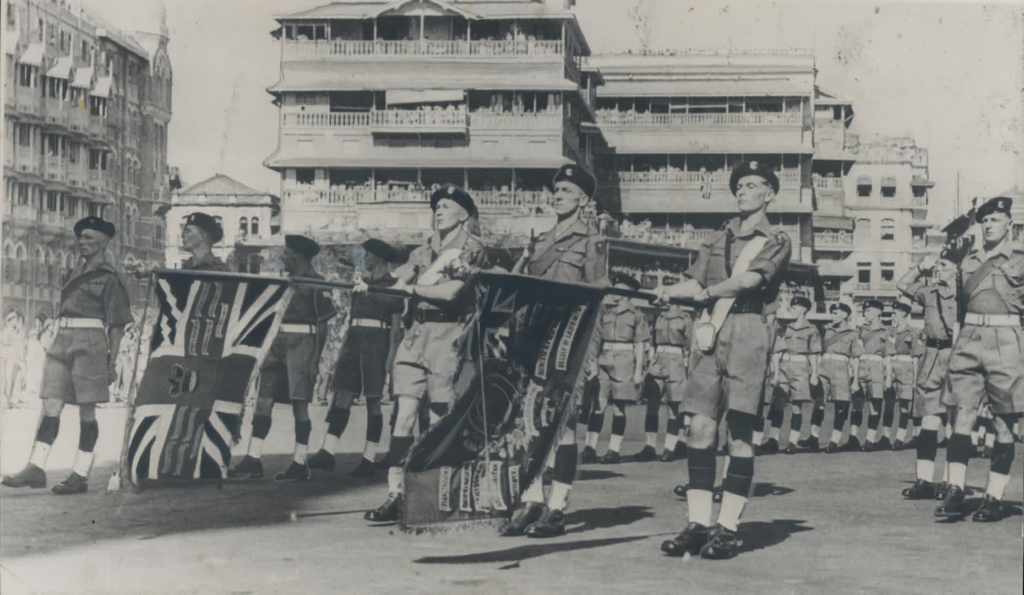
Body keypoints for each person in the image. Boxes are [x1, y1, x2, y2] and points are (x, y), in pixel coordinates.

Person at [657, 161, 791, 560]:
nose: (743, 191)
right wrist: (668, 291)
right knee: (698, 428)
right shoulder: (719, 237)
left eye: (753, 185)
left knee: (739, 433)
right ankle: (698, 524)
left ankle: (728, 528)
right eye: (739, 185)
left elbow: (751, 281)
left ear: (769, 194)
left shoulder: (777, 239)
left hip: (749, 333)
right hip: (710, 338)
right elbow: (696, 283)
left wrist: (707, 291)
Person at [364, 184, 485, 523]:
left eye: (447, 206)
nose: (439, 210)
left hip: (449, 334)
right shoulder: (422, 251)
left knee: (438, 419)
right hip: (416, 334)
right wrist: (371, 284)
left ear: (464, 214)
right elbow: (395, 279)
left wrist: (411, 288)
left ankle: (434, 493)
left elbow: (451, 292)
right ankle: (396, 494)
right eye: (437, 206)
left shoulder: (471, 250)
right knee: (403, 415)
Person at [501, 162, 608, 538]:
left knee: (562, 426)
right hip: (534, 339)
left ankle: (558, 507)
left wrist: (592, 353)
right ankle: (532, 500)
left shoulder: (591, 242)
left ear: (583, 199)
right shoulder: (540, 240)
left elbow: (597, 298)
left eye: (566, 191)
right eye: (556, 190)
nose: (558, 196)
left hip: (568, 342)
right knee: (528, 423)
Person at [2, 217, 132, 494]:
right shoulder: (77, 272)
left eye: (88, 238)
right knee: (50, 402)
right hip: (62, 340)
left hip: (91, 343)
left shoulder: (109, 278)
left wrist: (110, 362)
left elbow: (117, 325)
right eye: (81, 238)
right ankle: (35, 467)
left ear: (104, 241)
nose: (82, 243)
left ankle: (80, 473)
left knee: (87, 410)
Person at [936, 196, 1023, 522]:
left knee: (1004, 423)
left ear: (1009, 224)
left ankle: (993, 497)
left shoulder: (1020, 259)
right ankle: (956, 491)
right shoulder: (968, 261)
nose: (988, 225)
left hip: (1008, 343)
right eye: (985, 220)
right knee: (961, 416)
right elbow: (959, 307)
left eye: (995, 220)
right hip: (969, 339)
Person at [228, 235, 337, 482]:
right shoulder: (283, 283)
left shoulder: (318, 283)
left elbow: (323, 326)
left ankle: (299, 462)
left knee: (300, 404)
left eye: (286, 253)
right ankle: (253, 459)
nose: (283, 257)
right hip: (275, 345)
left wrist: (315, 360)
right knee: (263, 401)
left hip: (302, 345)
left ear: (297, 256)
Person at [308, 239, 405, 477]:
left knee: (373, 400)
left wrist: (391, 355)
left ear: (380, 259)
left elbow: (395, 327)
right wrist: (343, 348)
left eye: (369, 255)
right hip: (353, 340)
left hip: (377, 342)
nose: (365, 259)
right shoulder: (361, 284)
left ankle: (368, 458)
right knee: (342, 394)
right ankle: (327, 452)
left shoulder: (394, 286)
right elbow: (351, 320)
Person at [586, 273, 650, 464]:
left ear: (628, 292)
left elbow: (640, 344)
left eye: (618, 287)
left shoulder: (637, 315)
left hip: (624, 362)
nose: (614, 290)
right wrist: (594, 362)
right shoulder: (606, 312)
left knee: (619, 408)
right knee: (598, 405)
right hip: (605, 359)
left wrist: (638, 371)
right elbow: (597, 340)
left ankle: (614, 450)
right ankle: (590, 448)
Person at [762, 296, 821, 454]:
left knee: (797, 406)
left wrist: (814, 374)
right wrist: (776, 370)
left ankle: (792, 442)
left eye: (794, 308)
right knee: (778, 403)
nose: (791, 310)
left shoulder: (812, 329)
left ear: (804, 310)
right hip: (784, 367)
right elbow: (777, 349)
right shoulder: (786, 327)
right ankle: (773, 440)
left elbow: (814, 354)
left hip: (801, 369)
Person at [646, 299, 694, 462]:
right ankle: (649, 446)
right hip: (657, 361)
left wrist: (688, 369)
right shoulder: (658, 317)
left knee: (673, 407)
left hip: (676, 362)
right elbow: (652, 341)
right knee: (652, 404)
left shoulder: (685, 319)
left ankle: (669, 447)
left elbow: (691, 345)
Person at [818, 303, 861, 453]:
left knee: (841, 405)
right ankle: (813, 437)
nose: (833, 316)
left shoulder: (853, 333)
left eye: (836, 313)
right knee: (819, 402)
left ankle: (834, 441)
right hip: (824, 367)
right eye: (832, 313)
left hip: (842, 368)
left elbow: (856, 358)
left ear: (844, 315)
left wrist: (855, 380)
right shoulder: (826, 331)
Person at [855, 300, 895, 452]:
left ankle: (870, 440)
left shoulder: (887, 332)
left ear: (878, 312)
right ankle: (853, 437)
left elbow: (888, 357)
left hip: (877, 368)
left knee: (875, 404)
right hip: (861, 367)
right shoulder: (860, 331)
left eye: (868, 311)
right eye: (864, 311)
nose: (865, 313)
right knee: (857, 403)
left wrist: (889, 378)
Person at [888, 301, 922, 450]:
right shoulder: (890, 331)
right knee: (890, 404)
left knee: (906, 405)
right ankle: (887, 436)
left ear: (903, 314)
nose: (893, 315)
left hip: (907, 368)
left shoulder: (912, 332)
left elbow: (916, 356)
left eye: (895, 313)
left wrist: (916, 379)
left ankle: (901, 438)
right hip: (891, 368)